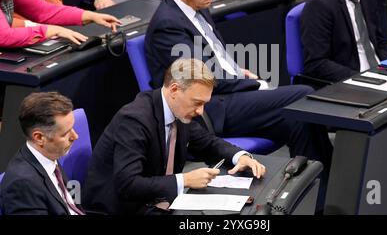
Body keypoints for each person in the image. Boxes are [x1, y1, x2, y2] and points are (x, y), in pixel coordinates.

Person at [145, 0, 333, 170]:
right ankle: (325, 182)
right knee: (302, 95)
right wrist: (252, 84)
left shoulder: (195, 7)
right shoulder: (167, 25)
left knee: (298, 119)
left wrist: (238, 72)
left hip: (228, 93)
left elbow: (215, 57)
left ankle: (316, 190)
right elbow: (202, 78)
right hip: (209, 107)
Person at [82, 58, 266, 214]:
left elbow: (207, 143)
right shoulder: (134, 120)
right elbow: (128, 184)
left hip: (157, 200)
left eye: (204, 103)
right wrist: (185, 180)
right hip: (121, 208)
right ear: (174, 90)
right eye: (197, 102)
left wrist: (240, 156)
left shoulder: (178, 111)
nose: (200, 111)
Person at [0, 92, 84, 215]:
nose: (75, 136)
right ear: (39, 137)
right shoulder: (23, 185)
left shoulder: (50, 155)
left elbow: (72, 202)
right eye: (65, 134)